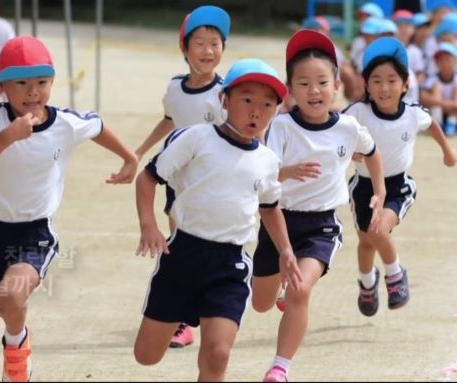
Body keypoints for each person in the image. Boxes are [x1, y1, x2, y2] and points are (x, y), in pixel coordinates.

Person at [0, 35, 139, 382]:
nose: (33, 92)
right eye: (22, 83)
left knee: (9, 298)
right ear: (2, 85)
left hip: (34, 234)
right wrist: (10, 136)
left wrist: (130, 158)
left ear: (52, 83)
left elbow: (98, 125)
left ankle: (17, 344)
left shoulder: (63, 122)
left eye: (42, 83)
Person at [133, 58, 303, 382]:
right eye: (247, 100)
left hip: (231, 263)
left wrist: (286, 251)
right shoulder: (197, 138)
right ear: (224, 100)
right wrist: (148, 225)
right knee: (146, 355)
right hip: (183, 254)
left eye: (268, 104)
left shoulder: (267, 160)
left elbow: (269, 207)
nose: (256, 112)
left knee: (218, 355)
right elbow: (148, 178)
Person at [252, 30, 385, 383]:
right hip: (277, 222)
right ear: (289, 89)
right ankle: (277, 284)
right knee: (260, 303)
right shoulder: (280, 126)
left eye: (322, 81)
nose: (314, 90)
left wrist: (381, 191)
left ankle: (280, 368)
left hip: (321, 227)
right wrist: (288, 171)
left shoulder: (348, 127)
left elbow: (372, 153)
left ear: (337, 85)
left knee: (300, 289)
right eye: (304, 83)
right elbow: (262, 176)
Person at [133, 4, 231, 349]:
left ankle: (203, 311)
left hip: (216, 186)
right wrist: (140, 150)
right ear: (184, 49)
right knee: (181, 246)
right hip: (179, 183)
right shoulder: (175, 88)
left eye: (216, 43)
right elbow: (170, 118)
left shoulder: (225, 94)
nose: (208, 50)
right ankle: (184, 321)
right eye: (200, 43)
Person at [343, 37, 457, 318]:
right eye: (377, 80)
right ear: (366, 85)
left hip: (397, 187)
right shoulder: (358, 112)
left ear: (406, 83)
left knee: (378, 230)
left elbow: (434, 125)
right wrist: (348, 155)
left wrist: (447, 151)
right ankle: (366, 283)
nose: (384, 88)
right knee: (366, 242)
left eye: (392, 80)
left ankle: (395, 275)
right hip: (364, 188)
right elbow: (337, 135)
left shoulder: (413, 114)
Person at [420, 42, 457, 136]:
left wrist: (452, 105)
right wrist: (443, 104)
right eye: (441, 60)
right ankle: (438, 125)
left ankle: (451, 123)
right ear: (437, 63)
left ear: (455, 62)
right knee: (437, 87)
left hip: (456, 115)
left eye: (448, 60)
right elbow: (423, 98)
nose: (445, 63)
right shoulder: (432, 80)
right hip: (438, 111)